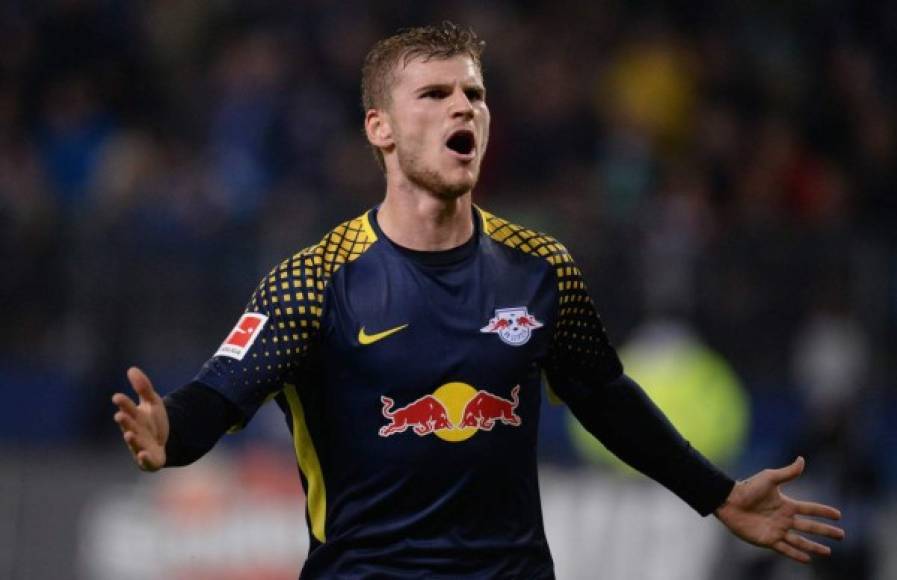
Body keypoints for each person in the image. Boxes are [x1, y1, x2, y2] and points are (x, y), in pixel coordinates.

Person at [112, 22, 844, 578]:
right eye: (433, 95)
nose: (462, 107)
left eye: (474, 94)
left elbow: (603, 395)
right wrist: (168, 431)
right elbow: (217, 397)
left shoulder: (540, 266)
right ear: (382, 130)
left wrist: (715, 494)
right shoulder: (313, 280)